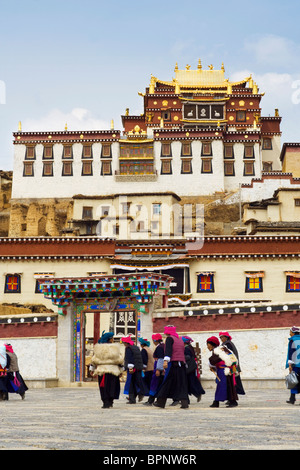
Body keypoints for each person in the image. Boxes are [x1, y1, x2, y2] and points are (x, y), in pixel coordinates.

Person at [154, 325, 189, 409]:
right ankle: (184, 403)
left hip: (173, 364)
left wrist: (165, 361)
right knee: (182, 384)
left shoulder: (170, 339)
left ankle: (160, 402)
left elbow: (168, 351)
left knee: (167, 382)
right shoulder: (180, 339)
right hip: (181, 364)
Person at [90, 331, 124, 409]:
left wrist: (92, 369)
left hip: (102, 370)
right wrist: (121, 370)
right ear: (110, 339)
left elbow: (94, 360)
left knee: (103, 387)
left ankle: (105, 402)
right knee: (112, 386)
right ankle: (110, 402)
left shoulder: (98, 348)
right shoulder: (115, 348)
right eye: (112, 338)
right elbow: (120, 360)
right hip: (113, 370)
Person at [206, 336, 239, 408]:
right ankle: (232, 401)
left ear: (212, 344)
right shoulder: (223, 348)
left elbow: (212, 361)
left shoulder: (216, 351)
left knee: (222, 386)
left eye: (208, 345)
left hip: (223, 371)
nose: (208, 347)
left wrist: (211, 366)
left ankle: (217, 402)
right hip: (229, 370)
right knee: (229, 386)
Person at [121, 336, 149, 404]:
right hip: (138, 367)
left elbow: (129, 358)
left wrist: (130, 367)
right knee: (136, 382)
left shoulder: (128, 348)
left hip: (132, 368)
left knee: (131, 383)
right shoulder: (136, 347)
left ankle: (133, 398)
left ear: (126, 343)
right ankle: (135, 396)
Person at [219, 331, 245, 398]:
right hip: (232, 366)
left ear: (226, 337)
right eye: (220, 337)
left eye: (222, 337)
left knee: (231, 384)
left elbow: (229, 356)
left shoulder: (227, 345)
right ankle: (232, 398)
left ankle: (232, 399)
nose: (221, 339)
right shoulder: (228, 343)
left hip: (231, 367)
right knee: (232, 384)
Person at [182, 336, 205, 403]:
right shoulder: (190, 347)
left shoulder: (186, 349)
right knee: (191, 382)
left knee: (189, 383)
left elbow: (188, 357)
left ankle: (195, 394)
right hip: (191, 368)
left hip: (188, 368)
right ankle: (195, 394)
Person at [144, 333, 165, 406]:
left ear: (156, 340)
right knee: (159, 384)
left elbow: (160, 359)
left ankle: (150, 401)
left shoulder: (159, 348)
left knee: (154, 384)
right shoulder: (163, 346)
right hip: (163, 369)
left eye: (153, 340)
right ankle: (156, 400)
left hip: (159, 368)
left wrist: (158, 369)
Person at [285, 326, 300, 404]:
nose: (289, 333)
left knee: (293, 380)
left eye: (290, 332)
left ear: (293, 333)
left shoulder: (292, 340)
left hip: (296, 365)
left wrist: (290, 365)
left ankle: (292, 399)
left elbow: (292, 352)